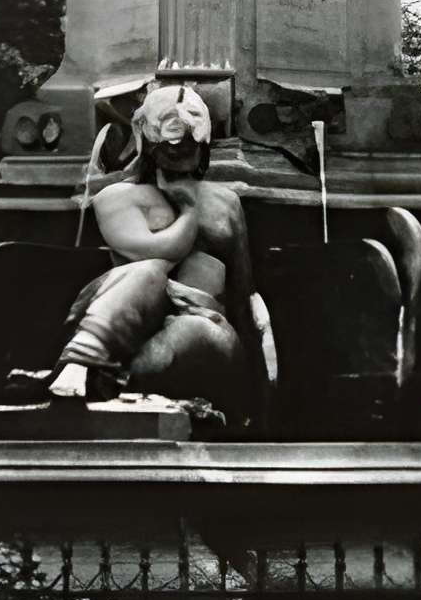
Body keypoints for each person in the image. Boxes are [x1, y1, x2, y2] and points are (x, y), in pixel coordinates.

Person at [43, 78, 280, 408]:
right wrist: (188, 212)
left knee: (196, 331)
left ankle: (104, 384)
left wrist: (261, 395)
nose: (179, 152)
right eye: (170, 145)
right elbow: (159, 253)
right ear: (146, 144)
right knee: (148, 273)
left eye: (189, 144)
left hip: (206, 328)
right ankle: (82, 362)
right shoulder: (116, 197)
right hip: (128, 325)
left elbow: (242, 294)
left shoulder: (226, 203)